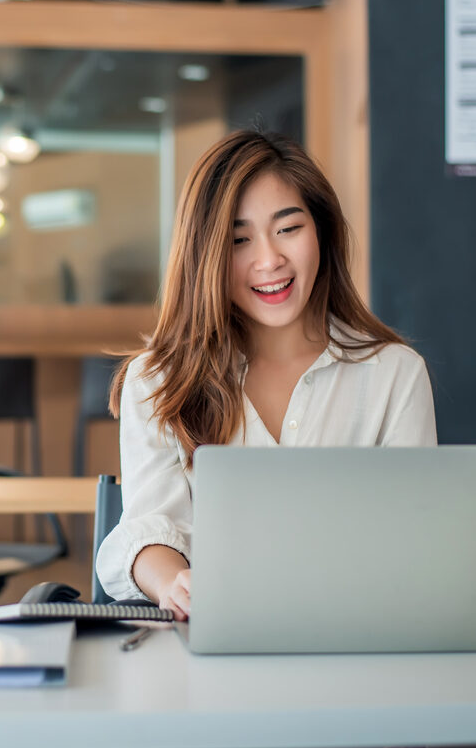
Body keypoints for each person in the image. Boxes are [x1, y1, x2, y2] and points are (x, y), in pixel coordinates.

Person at [97, 128, 437, 620]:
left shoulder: (394, 375)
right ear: (206, 255)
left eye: (288, 228)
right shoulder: (159, 379)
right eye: (239, 239)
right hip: (215, 639)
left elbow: (416, 536)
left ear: (321, 230)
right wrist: (175, 583)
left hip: (358, 635)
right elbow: (151, 527)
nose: (269, 260)